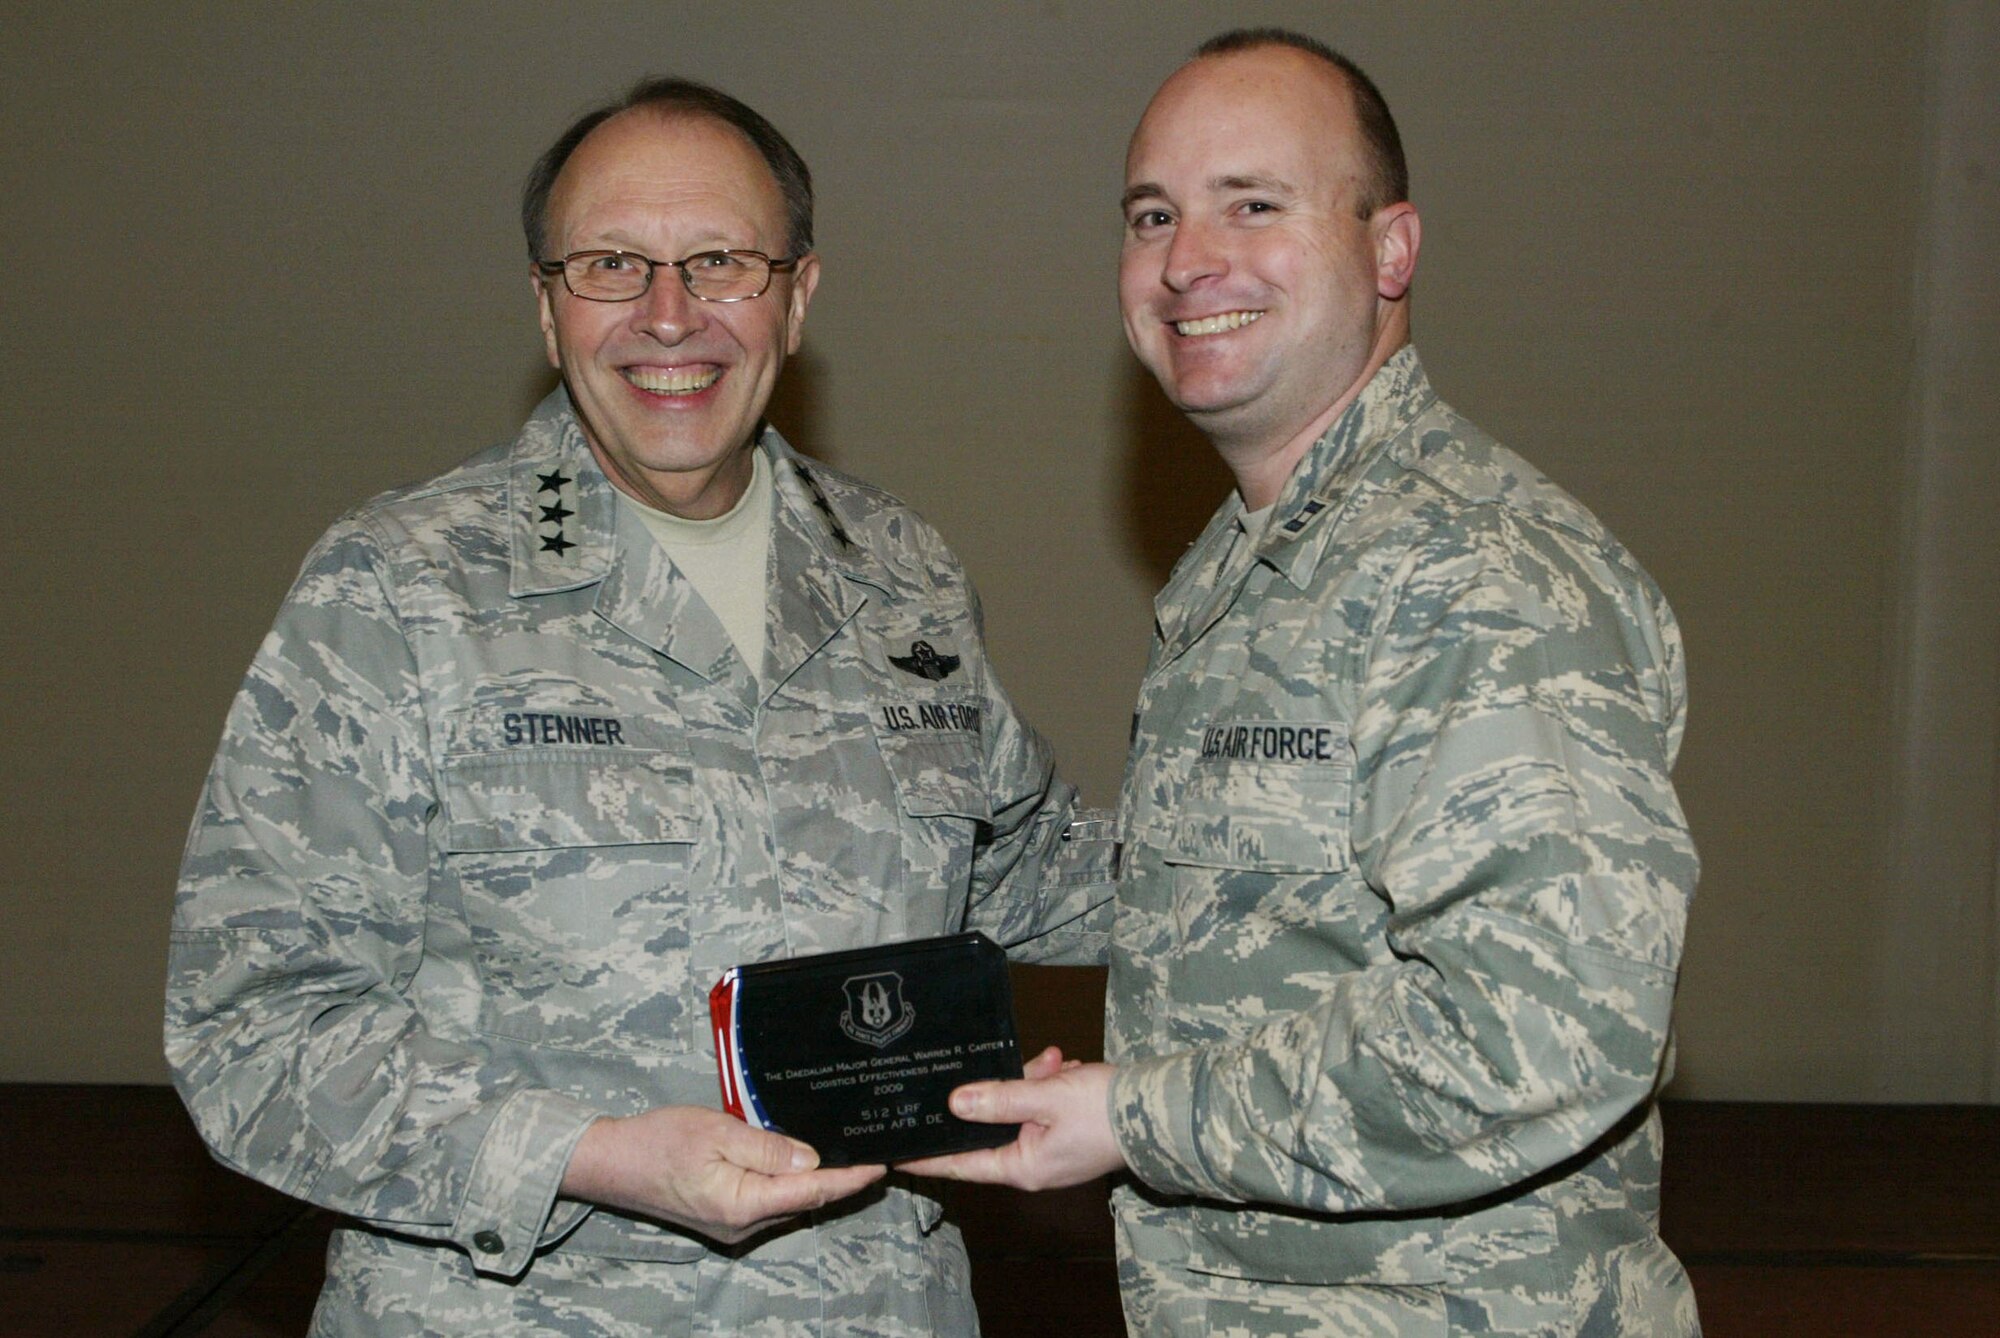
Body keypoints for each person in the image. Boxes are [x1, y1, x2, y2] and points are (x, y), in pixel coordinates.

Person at [166, 76, 1113, 1336]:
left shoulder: (899, 574)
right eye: (611, 265)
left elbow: (1033, 867)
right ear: (547, 307)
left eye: (720, 262)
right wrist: (590, 1157)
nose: (669, 316)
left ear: (796, 296)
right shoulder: (401, 589)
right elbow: (252, 1034)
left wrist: (1315, 825)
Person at [907, 29, 1700, 1336]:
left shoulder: (1470, 571)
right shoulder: (1261, 564)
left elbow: (1536, 1029)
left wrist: (1134, 1115)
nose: (1187, 259)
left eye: (1254, 205)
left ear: (1391, 250)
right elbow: (1232, 902)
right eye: (1153, 214)